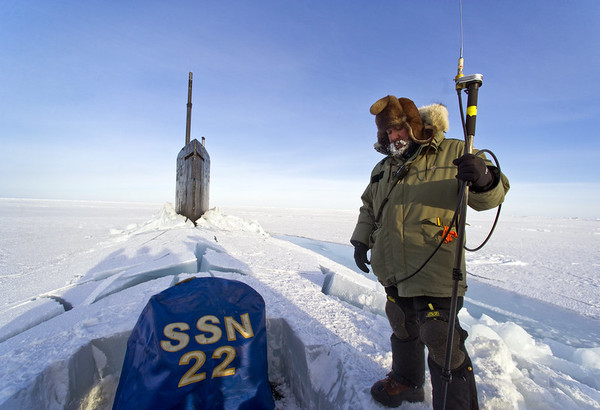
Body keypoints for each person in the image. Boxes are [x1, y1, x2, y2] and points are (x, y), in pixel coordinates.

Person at [351, 95, 509, 409]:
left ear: (415, 125)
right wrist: (361, 240)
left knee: (440, 338)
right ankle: (407, 382)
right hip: (393, 265)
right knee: (401, 322)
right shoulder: (383, 168)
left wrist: (483, 177)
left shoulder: (453, 152)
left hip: (436, 266)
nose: (394, 137)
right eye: (388, 133)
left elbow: (492, 195)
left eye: (399, 129)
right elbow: (369, 207)